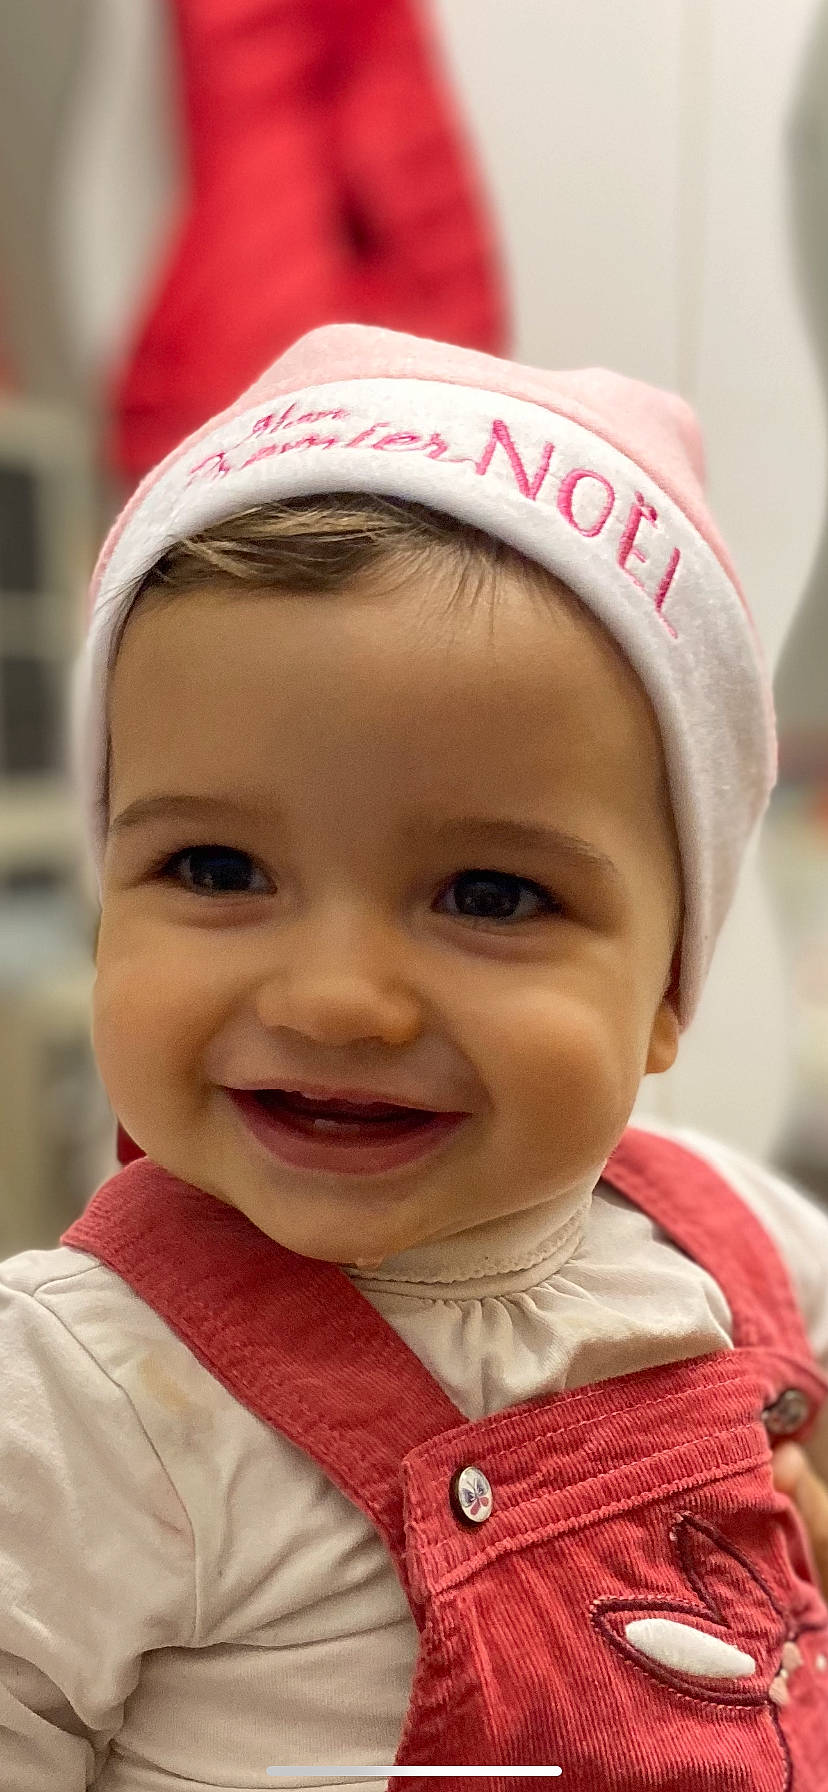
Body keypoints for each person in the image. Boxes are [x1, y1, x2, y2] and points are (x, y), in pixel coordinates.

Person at [2, 324, 828, 1789]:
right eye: (213, 865)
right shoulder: (81, 1389)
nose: (337, 1002)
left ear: (665, 991)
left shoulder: (737, 1243)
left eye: (491, 896)